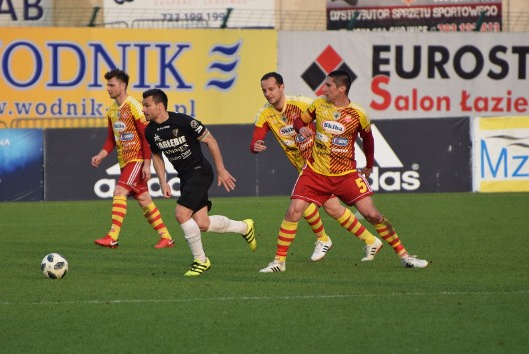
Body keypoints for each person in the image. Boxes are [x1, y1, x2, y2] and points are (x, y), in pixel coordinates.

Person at [260, 69, 428, 272]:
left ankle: (405, 256)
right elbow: (299, 120)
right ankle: (279, 262)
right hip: (315, 172)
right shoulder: (318, 104)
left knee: (372, 214)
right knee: (294, 211)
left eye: (329, 85)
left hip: (345, 174)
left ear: (342, 89)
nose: (324, 89)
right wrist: (300, 128)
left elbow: (368, 139)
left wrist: (368, 165)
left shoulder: (358, 113)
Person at [251, 71, 380, 262]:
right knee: (332, 209)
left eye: (271, 89)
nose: (268, 94)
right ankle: (369, 240)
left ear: (281, 87)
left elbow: (325, 113)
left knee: (303, 206)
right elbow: (256, 139)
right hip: (302, 166)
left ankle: (322, 240)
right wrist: (255, 146)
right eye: (264, 90)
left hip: (319, 165)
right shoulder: (265, 113)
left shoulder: (301, 103)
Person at [141, 88, 256, 276]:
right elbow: (156, 155)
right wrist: (163, 181)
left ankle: (201, 261)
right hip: (185, 177)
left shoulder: (184, 121)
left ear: (160, 106)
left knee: (181, 214)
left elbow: (210, 141)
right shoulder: (150, 131)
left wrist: (221, 170)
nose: (143, 109)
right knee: (202, 223)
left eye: (147, 105)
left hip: (200, 172)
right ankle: (244, 227)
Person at [91, 69, 174, 250]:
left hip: (136, 159)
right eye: (107, 85)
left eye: (111, 85)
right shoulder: (112, 111)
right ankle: (166, 238)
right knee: (144, 199)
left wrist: (146, 163)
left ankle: (112, 236)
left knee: (120, 191)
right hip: (124, 161)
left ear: (122, 86)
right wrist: (101, 155)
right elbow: (111, 140)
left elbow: (146, 136)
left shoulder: (134, 105)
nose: (108, 89)